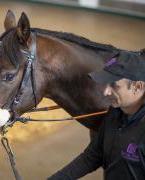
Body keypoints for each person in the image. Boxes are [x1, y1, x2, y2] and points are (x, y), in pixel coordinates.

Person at [48, 50, 145, 180]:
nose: (106, 92)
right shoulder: (114, 113)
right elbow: (92, 157)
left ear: (137, 87)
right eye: (106, 84)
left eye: (114, 86)